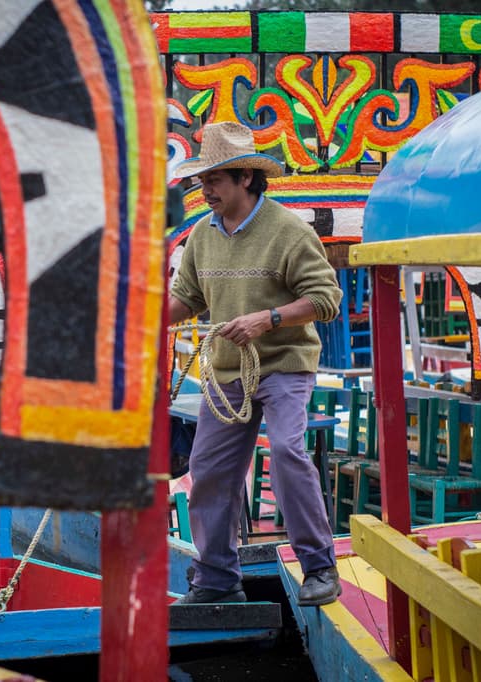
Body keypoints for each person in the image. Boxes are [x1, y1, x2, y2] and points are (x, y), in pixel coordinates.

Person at [168, 121, 343, 607]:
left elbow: (326, 299)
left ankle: (320, 567)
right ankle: (217, 581)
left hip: (285, 364)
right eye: (203, 182)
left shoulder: (288, 230)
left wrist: (266, 319)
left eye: (214, 182)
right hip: (226, 372)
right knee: (207, 471)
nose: (205, 192)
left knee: (287, 450)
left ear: (246, 178)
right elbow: (187, 298)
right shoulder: (202, 235)